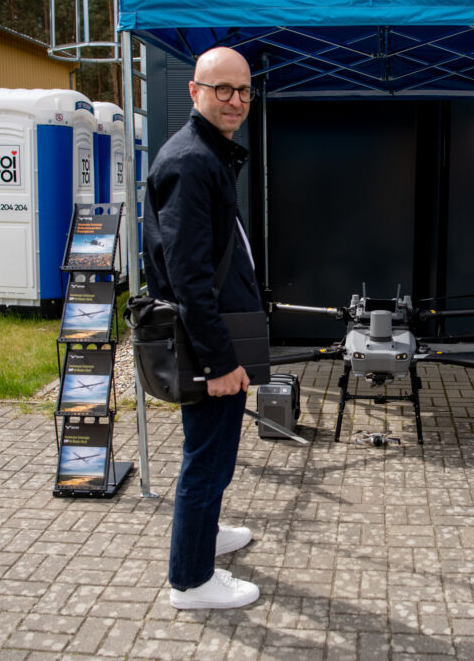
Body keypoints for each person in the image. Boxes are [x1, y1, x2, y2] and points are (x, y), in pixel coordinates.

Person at [142, 46, 263, 609]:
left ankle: (206, 536)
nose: (235, 100)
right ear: (195, 92)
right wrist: (219, 364)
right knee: (205, 458)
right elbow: (187, 276)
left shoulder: (208, 154)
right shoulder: (191, 161)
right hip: (208, 345)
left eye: (243, 90)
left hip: (220, 335)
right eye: (223, 90)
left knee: (214, 452)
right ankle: (191, 580)